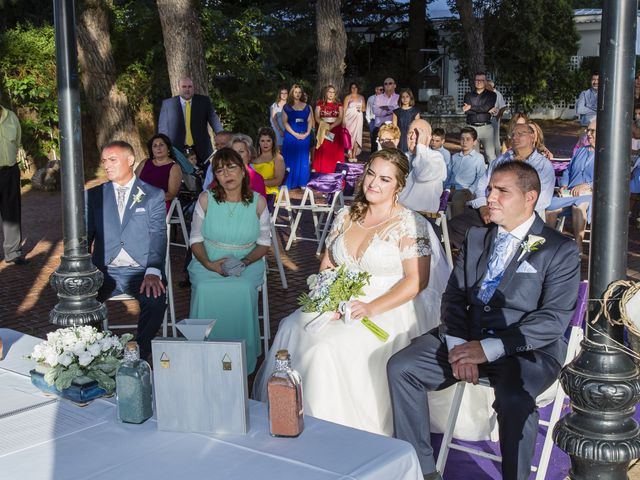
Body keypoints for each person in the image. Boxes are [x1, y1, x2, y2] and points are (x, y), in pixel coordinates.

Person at [388, 161, 581, 480]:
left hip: (525, 351)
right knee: (402, 367)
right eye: (490, 189)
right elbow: (453, 297)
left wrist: (487, 349)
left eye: (502, 191)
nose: (490, 197)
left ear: (530, 197)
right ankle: (422, 470)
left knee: (515, 398)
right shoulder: (477, 237)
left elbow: (552, 320)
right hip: (466, 340)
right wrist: (460, 345)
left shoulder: (559, 249)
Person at [253, 148, 452, 436]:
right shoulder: (347, 214)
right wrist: (329, 298)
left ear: (399, 186)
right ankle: (288, 418)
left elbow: (416, 282)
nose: (373, 183)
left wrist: (370, 308)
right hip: (338, 299)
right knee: (291, 328)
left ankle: (332, 433)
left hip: (387, 306)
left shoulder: (411, 224)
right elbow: (328, 263)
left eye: (385, 179)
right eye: (371, 173)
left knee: (326, 348)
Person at [187, 147, 271, 374]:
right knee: (204, 288)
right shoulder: (206, 199)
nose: (227, 174)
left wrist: (243, 262)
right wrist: (208, 264)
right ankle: (204, 355)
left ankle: (241, 357)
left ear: (243, 171)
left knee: (242, 288)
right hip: (208, 260)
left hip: (248, 261)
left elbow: (264, 244)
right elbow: (195, 239)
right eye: (220, 170)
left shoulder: (258, 202)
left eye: (231, 167)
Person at [86, 141, 167, 360]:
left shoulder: (152, 194)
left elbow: (158, 235)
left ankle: (138, 353)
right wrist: (81, 271)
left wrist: (153, 271)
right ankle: (100, 352)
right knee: (81, 302)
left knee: (155, 301)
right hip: (104, 271)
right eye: (104, 161)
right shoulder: (94, 195)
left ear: (130, 160)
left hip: (140, 270)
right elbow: (86, 236)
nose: (106, 166)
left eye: (112, 160)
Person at [448, 122, 555, 249]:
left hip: (518, 218)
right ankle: (478, 257)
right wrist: (482, 206)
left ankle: (487, 255)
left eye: (521, 134)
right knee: (454, 227)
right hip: (489, 211)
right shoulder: (501, 160)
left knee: (491, 237)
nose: (515, 137)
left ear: (532, 137)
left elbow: (542, 199)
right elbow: (481, 185)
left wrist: (507, 211)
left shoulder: (543, 165)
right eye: (513, 134)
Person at [546, 119, 595, 254]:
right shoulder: (580, 151)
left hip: (591, 194)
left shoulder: (605, 153)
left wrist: (588, 185)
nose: (589, 133)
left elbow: (608, 177)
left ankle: (578, 247)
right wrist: (563, 185)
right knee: (550, 206)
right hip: (570, 192)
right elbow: (568, 170)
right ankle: (550, 245)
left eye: (593, 131)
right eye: (588, 130)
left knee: (579, 205)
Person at [158, 76, 223, 167]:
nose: (187, 89)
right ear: (179, 88)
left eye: (189, 87)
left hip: (201, 148)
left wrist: (223, 138)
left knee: (204, 176)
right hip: (177, 149)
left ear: (193, 88)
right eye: (184, 87)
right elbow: (162, 129)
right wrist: (164, 147)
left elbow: (215, 121)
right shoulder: (168, 104)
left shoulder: (204, 102)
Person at [398, 119, 447, 214]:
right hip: (397, 212)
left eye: (417, 133)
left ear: (428, 138)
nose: (412, 137)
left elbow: (422, 174)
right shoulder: (403, 157)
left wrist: (421, 145)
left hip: (421, 217)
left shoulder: (436, 158)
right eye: (410, 133)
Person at [0, 104, 27, 265]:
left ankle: (13, 253)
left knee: (12, 212)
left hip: (10, 170)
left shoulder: (11, 116)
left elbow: (17, 141)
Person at [445, 127, 486, 218]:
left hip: (465, 190)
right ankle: (436, 225)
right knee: (432, 195)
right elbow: (448, 174)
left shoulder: (478, 158)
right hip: (450, 189)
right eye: (462, 139)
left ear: (474, 142)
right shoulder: (455, 157)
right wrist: (444, 187)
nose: (464, 142)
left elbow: (480, 177)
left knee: (457, 199)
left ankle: (456, 227)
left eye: (468, 139)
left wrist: (470, 190)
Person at [135, 134, 183, 211]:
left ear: (168, 148)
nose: (158, 148)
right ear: (152, 150)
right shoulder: (145, 162)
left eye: (161, 145)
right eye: (155, 146)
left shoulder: (174, 167)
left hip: (160, 203)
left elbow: (171, 194)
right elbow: (133, 182)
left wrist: (150, 199)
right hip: (138, 200)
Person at [281, 84, 312, 189]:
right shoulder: (286, 107)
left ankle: (302, 182)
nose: (298, 94)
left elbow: (310, 121)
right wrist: (294, 134)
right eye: (295, 92)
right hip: (291, 136)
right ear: (292, 93)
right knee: (290, 158)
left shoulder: (306, 106)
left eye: (299, 92)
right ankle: (288, 182)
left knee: (303, 159)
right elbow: (285, 122)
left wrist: (307, 133)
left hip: (304, 136)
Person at [463, 72, 498, 163]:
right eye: (477, 80)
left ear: (485, 82)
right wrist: (485, 110)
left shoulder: (492, 95)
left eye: (481, 80)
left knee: (491, 155)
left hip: (486, 128)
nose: (478, 82)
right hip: (472, 128)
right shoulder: (468, 95)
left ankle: (493, 176)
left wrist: (472, 107)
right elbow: (467, 111)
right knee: (474, 157)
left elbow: (486, 107)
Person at [313, 84, 345, 173]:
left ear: (335, 94)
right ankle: (322, 170)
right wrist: (325, 126)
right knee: (324, 149)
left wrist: (331, 126)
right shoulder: (320, 103)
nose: (331, 94)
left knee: (334, 150)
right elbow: (317, 117)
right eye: (329, 92)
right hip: (323, 129)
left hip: (335, 129)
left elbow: (340, 117)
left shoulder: (339, 104)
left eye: (333, 92)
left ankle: (335, 171)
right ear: (326, 93)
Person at [252, 127, 285, 207]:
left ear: (273, 142)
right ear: (258, 142)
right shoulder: (253, 158)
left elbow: (278, 181)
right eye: (262, 141)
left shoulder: (278, 158)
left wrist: (257, 183)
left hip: (270, 192)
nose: (265, 144)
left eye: (268, 141)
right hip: (253, 190)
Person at [229, 134, 267, 198]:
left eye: (241, 151)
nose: (236, 155)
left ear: (249, 155)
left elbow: (260, 205)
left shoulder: (256, 178)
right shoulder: (223, 174)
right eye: (233, 152)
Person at [372, 78, 399, 148]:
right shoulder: (378, 97)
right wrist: (391, 110)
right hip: (379, 127)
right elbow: (375, 111)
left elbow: (398, 111)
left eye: (390, 83)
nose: (388, 85)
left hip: (393, 128)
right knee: (376, 151)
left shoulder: (399, 97)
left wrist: (383, 108)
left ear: (394, 85)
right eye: (385, 84)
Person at [392, 88, 421, 152]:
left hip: (411, 136)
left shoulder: (415, 111)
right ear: (400, 98)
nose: (405, 99)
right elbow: (394, 128)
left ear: (410, 97)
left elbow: (417, 127)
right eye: (403, 97)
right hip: (400, 137)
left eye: (407, 96)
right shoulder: (396, 112)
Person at [343, 82, 365, 160]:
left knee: (357, 136)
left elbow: (364, 109)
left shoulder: (361, 97)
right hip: (349, 119)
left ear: (358, 88)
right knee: (349, 135)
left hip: (359, 118)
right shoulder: (347, 97)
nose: (354, 89)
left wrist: (360, 108)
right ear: (350, 89)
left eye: (355, 87)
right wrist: (343, 120)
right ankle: (350, 154)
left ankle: (354, 154)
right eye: (352, 87)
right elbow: (344, 109)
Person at [487, 80, 508, 158]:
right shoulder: (487, 94)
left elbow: (503, 107)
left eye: (487, 85)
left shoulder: (497, 94)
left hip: (494, 118)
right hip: (486, 119)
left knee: (495, 139)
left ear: (491, 86)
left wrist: (497, 117)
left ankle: (498, 156)